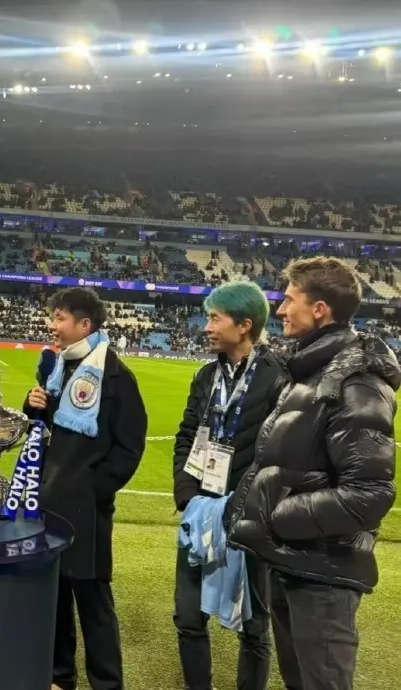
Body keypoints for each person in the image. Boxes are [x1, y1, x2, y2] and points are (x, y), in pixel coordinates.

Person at [229, 257, 399, 690]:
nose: (280, 310)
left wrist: (279, 517)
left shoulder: (356, 382)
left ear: (319, 309)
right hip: (293, 561)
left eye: (289, 300)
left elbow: (370, 492)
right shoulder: (310, 372)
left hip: (323, 573)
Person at [24, 287, 147, 690]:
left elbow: (130, 447)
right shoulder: (59, 368)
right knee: (57, 595)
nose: (52, 326)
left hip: (87, 510)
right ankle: (61, 677)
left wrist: (94, 488)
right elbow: (48, 431)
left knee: (93, 601)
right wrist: (34, 407)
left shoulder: (115, 376)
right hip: (50, 502)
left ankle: (107, 683)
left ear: (84, 324)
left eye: (60, 318)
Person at [173, 280, 286, 690]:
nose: (207, 327)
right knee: (188, 616)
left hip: (250, 515)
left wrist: (246, 503)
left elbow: (278, 455)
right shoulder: (206, 375)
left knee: (254, 626)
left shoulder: (277, 378)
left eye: (215, 318)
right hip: (202, 508)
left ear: (244, 325)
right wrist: (186, 493)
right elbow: (187, 435)